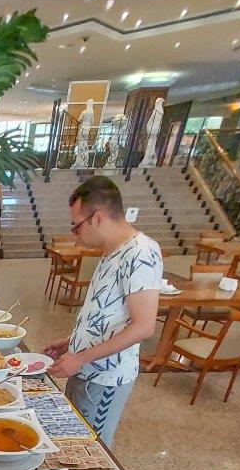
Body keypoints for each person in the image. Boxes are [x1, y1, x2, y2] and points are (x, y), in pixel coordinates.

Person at [44, 176, 162, 446]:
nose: (75, 232)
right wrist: (70, 342)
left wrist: (81, 357)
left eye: (76, 226)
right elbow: (105, 314)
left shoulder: (141, 252)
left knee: (92, 448)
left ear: (97, 218)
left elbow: (143, 326)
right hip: (84, 367)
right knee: (73, 439)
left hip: (105, 376)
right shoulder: (112, 251)